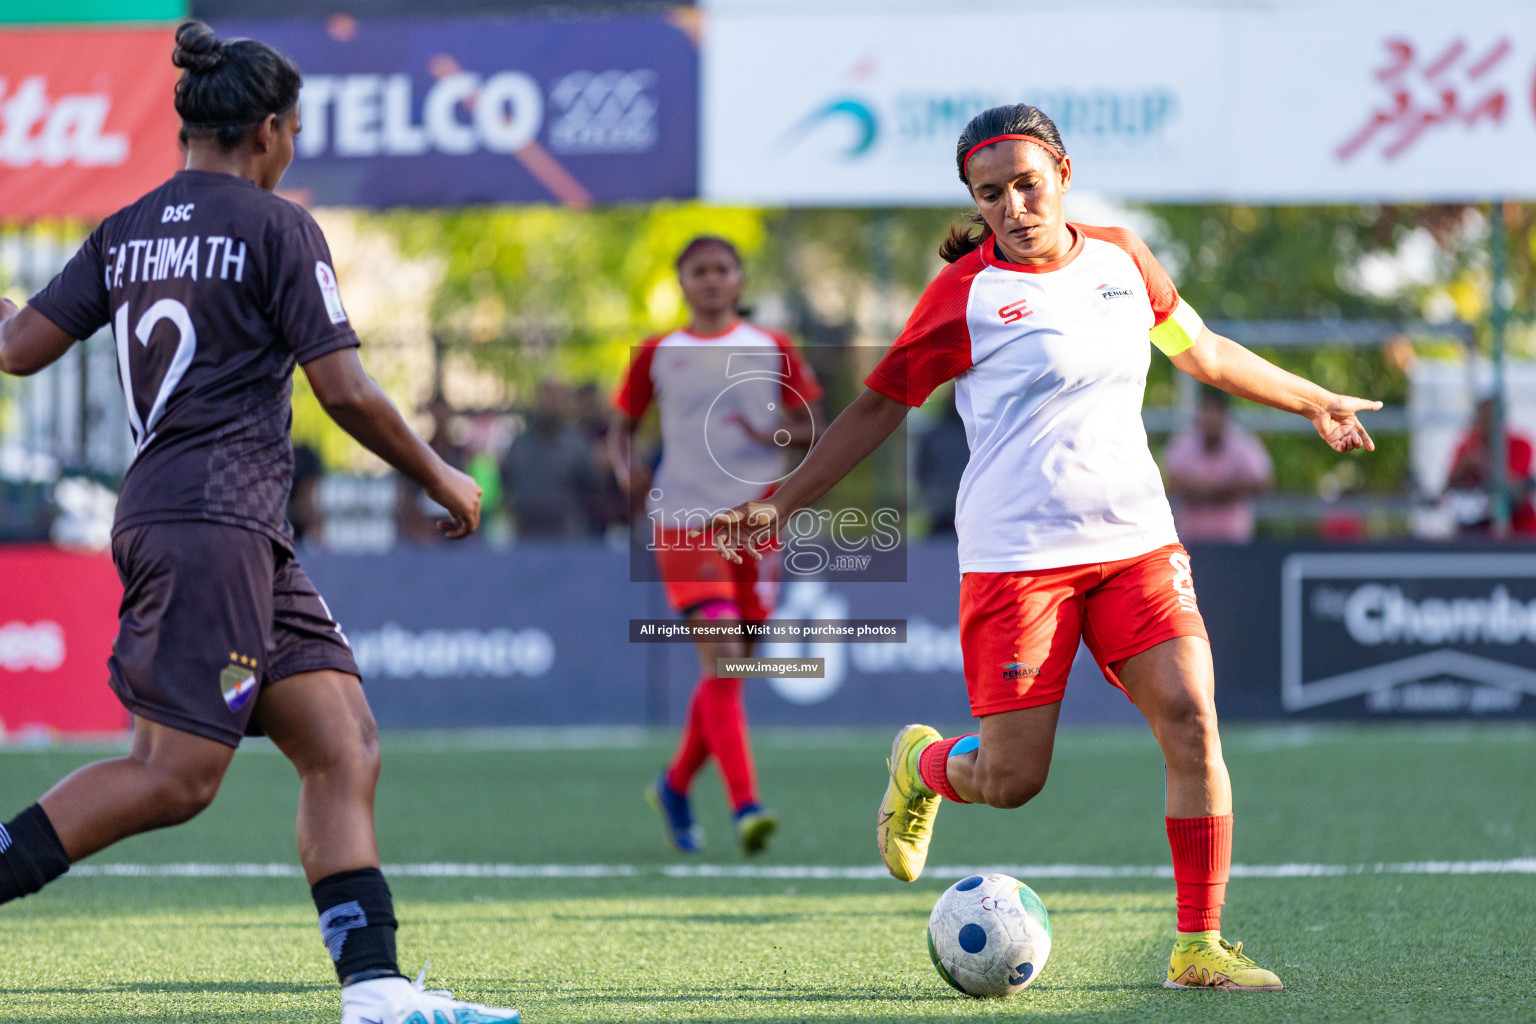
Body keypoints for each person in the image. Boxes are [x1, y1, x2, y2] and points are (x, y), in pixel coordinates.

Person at [703, 104, 1380, 991]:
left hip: (1138, 542)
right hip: (1018, 557)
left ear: (1061, 170)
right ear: (976, 204)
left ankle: (1198, 946)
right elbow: (875, 410)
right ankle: (922, 764)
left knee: (1191, 720)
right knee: (1014, 779)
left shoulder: (1123, 260)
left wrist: (1313, 400)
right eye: (992, 194)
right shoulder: (964, 296)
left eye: (1028, 183)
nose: (1015, 205)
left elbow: (1202, 350)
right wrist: (780, 505)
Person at [0, 23, 516, 1024]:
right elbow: (347, 390)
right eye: (294, 132)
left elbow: (18, 348)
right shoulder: (278, 227)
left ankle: (374, 990)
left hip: (220, 525)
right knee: (173, 776)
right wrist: (442, 475)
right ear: (271, 130)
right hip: (212, 522)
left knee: (342, 738)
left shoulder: (127, 226)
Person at [609, 236, 822, 856]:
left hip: (756, 525)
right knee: (724, 658)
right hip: (683, 524)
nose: (710, 280)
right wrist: (626, 474)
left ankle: (674, 785)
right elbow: (620, 428)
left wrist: (773, 429)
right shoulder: (658, 352)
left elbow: (813, 425)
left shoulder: (771, 346)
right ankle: (746, 805)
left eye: (721, 269)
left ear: (738, 279)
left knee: (732, 671)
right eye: (697, 270)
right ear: (681, 282)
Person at [1163, 388, 1274, 542]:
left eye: (1214, 411)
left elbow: (1263, 484)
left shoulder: (1242, 444)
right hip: (1191, 539)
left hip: (1233, 539)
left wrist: (1219, 489)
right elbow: (1170, 484)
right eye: (1205, 410)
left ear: (1224, 414)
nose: (1210, 418)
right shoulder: (1184, 443)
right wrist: (1201, 490)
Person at [501, 381, 597, 539]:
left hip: (566, 532)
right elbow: (505, 480)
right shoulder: (519, 444)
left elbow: (591, 484)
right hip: (527, 531)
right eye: (547, 397)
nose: (551, 403)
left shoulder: (577, 444)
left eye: (556, 398)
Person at [1446, 394, 1536, 535]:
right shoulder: (1467, 445)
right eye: (1482, 419)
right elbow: (1449, 486)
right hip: (1476, 528)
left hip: (1518, 528)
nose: (1485, 425)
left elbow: (1515, 487)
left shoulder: (1520, 444)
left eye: (1489, 419)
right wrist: (1463, 468)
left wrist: (1483, 465)